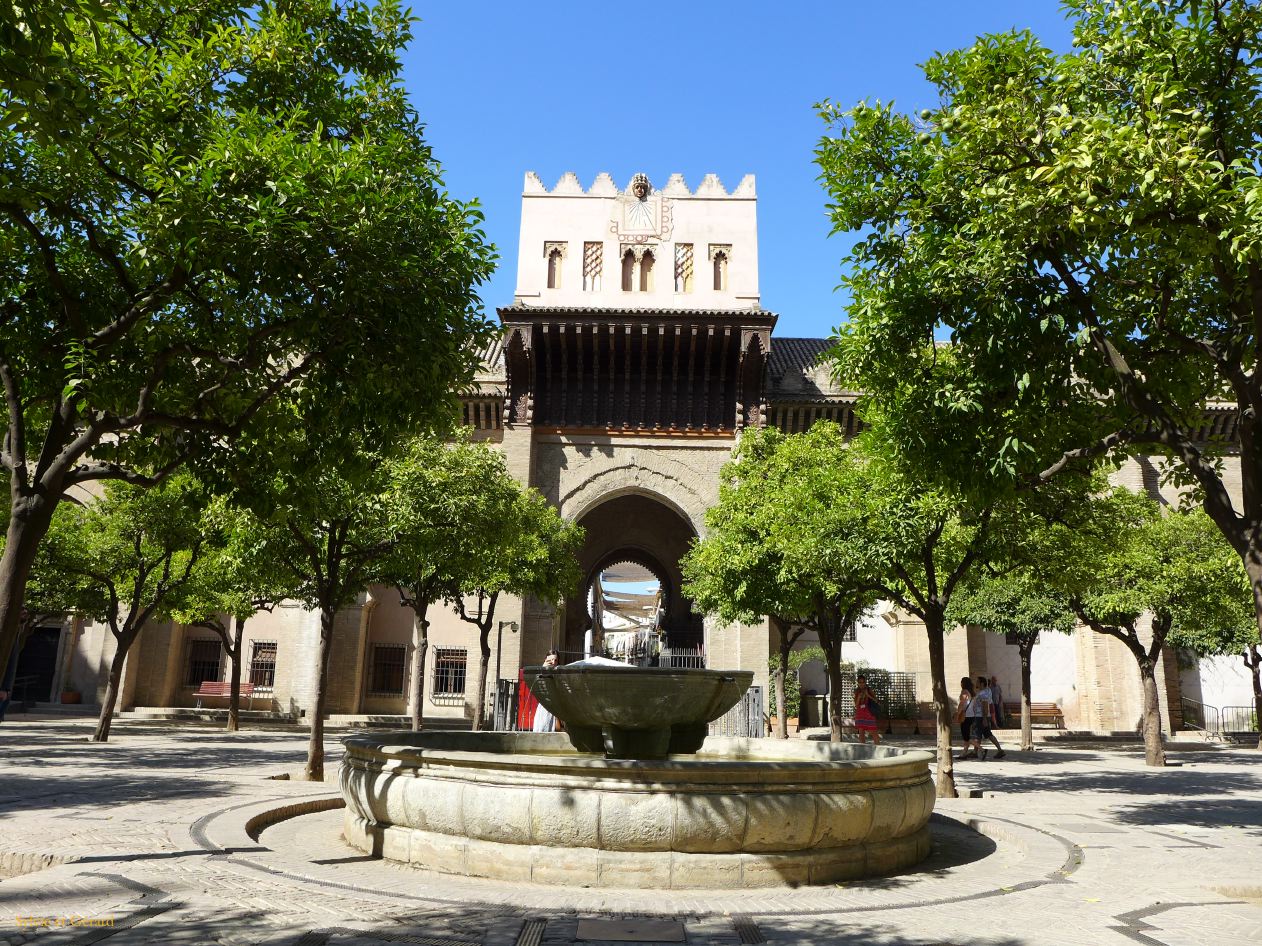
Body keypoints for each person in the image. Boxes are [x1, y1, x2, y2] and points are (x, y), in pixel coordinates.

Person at [973, 675, 1005, 759]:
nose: (976, 683)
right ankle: (1000, 750)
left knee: (977, 734)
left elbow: (985, 706)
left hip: (981, 717)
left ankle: (976, 752)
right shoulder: (986, 691)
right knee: (988, 734)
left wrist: (984, 718)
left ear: (982, 683)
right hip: (983, 716)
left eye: (977, 682)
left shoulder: (983, 693)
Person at [531, 650, 561, 733]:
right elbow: (536, 686)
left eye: (555, 660)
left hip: (555, 708)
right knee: (542, 730)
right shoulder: (541, 673)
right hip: (544, 708)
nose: (553, 662)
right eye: (550, 660)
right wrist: (543, 669)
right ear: (546, 660)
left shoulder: (559, 674)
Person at [854, 674, 881, 745]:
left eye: (863, 682)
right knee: (861, 732)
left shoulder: (869, 690)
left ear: (865, 682)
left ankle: (878, 748)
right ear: (858, 683)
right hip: (860, 714)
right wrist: (859, 697)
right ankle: (862, 749)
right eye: (860, 682)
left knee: (874, 731)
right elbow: (856, 706)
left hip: (869, 713)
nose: (861, 684)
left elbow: (877, 701)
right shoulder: (856, 691)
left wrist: (868, 695)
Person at [955, 677, 976, 759]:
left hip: (965, 716)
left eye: (961, 682)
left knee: (965, 736)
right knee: (966, 736)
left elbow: (961, 705)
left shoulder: (964, 692)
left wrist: (958, 714)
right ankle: (964, 753)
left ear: (963, 683)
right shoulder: (971, 692)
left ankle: (982, 749)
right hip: (971, 715)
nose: (960, 684)